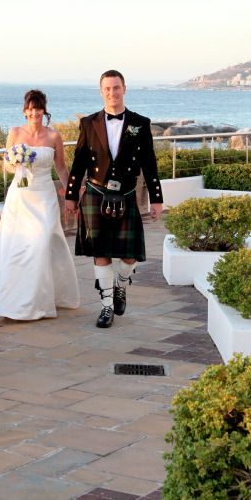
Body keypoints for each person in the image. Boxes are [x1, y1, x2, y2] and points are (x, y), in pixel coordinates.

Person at [64, 70, 163, 328]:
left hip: (127, 194)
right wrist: (71, 196)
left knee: (130, 254)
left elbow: (149, 163)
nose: (112, 93)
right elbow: (79, 163)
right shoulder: (89, 123)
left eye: (116, 88)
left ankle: (121, 282)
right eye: (107, 89)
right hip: (96, 193)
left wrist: (157, 198)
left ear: (124, 89)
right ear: (101, 91)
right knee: (101, 252)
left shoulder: (140, 123)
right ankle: (106, 307)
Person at [0, 89, 80, 320]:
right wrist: (15, 162)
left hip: (44, 196)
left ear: (44, 110)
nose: (35, 112)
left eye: (39, 108)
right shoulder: (15, 132)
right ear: (25, 111)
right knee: (19, 247)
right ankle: (15, 302)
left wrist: (71, 195)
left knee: (41, 243)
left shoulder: (54, 136)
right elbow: (6, 165)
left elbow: (61, 168)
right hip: (20, 197)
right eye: (31, 108)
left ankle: (38, 301)